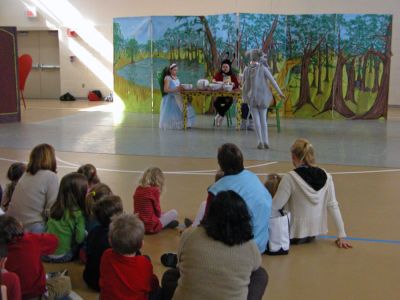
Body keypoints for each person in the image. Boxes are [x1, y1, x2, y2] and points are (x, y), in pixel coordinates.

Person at [161, 191, 268, 300]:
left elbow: (180, 264)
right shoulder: (249, 245)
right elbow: (256, 266)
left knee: (170, 275)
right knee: (260, 274)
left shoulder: (190, 234)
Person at [272, 138, 352, 249]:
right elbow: (333, 205)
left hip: (292, 235)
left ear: (293, 157)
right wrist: (341, 235)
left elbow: (275, 206)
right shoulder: (327, 176)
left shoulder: (290, 178)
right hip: (313, 234)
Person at [203, 143, 271, 253]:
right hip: (262, 244)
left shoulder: (216, 190)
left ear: (221, 164)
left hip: (238, 247)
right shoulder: (253, 177)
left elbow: (207, 223)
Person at [99, 213, 160, 300]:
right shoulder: (144, 264)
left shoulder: (106, 255)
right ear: (141, 244)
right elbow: (152, 285)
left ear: (110, 241)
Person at [0, 215, 58, 299]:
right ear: (19, 226)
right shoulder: (31, 239)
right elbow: (54, 241)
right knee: (62, 281)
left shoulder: (3, 251)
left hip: (10, 294)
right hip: (35, 293)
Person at [7, 144, 59, 233]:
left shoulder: (25, 175)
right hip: (31, 228)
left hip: (12, 225)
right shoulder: (51, 176)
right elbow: (51, 210)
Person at [242, 49, 285, 149]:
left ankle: (259, 141)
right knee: (263, 121)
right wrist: (280, 93)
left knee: (256, 121)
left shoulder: (246, 69)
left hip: (251, 97)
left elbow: (243, 83)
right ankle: (266, 141)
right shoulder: (263, 69)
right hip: (263, 97)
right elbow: (273, 81)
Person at [44, 172, 88, 262]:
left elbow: (47, 227)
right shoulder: (78, 214)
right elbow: (79, 239)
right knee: (85, 238)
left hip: (45, 254)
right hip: (63, 256)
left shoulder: (55, 207)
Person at [83, 195, 123, 291]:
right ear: (114, 217)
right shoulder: (117, 236)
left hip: (89, 278)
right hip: (104, 284)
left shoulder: (94, 231)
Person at [134, 167, 179, 233]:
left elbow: (136, 210)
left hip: (138, 226)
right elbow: (157, 213)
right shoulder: (154, 191)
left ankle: (164, 223)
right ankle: (163, 225)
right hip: (151, 227)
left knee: (162, 214)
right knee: (174, 213)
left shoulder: (138, 189)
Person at [159, 63, 195, 130]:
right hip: (171, 97)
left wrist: (182, 88)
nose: (176, 71)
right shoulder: (168, 78)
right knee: (176, 112)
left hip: (178, 96)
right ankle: (174, 125)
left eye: (177, 70)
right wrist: (177, 88)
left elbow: (178, 86)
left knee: (184, 108)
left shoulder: (176, 77)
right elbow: (166, 89)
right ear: (170, 70)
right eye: (174, 70)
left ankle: (186, 123)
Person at [212, 59, 239, 127]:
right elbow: (213, 79)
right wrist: (215, 81)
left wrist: (233, 84)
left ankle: (219, 116)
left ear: (229, 67)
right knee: (215, 103)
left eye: (226, 67)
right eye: (223, 67)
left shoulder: (232, 75)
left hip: (228, 97)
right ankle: (221, 115)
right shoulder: (219, 74)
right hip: (220, 95)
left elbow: (237, 84)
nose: (225, 68)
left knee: (229, 102)